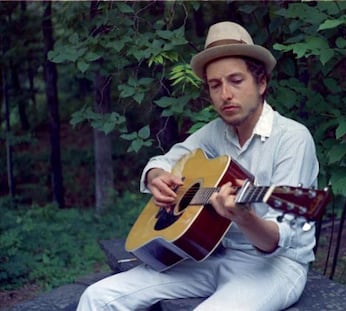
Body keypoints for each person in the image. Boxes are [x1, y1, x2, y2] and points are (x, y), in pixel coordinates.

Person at [77, 21, 319, 311]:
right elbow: (167, 160)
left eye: (236, 80)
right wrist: (157, 176)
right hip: (212, 254)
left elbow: (278, 240)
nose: (225, 94)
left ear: (261, 83)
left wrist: (245, 218)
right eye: (215, 85)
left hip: (275, 267)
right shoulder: (215, 133)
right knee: (97, 297)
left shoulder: (292, 138)